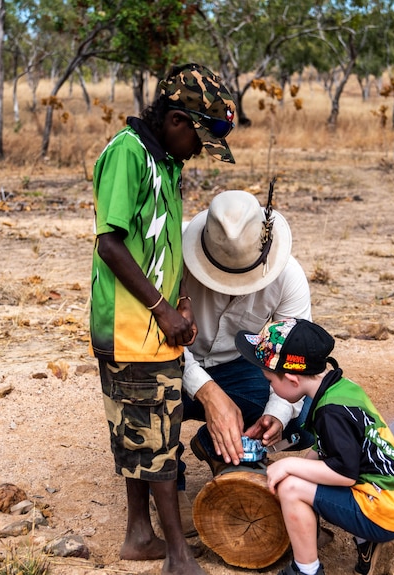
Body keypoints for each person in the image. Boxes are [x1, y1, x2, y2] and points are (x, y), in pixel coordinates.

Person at [88, 62, 235, 575]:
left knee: (141, 431)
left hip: (153, 326)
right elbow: (110, 244)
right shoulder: (127, 156)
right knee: (158, 441)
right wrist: (160, 309)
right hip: (131, 330)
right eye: (198, 139)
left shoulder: (165, 163)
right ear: (176, 121)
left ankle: (139, 534)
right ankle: (178, 555)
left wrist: (181, 302)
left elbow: (158, 246)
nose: (199, 152)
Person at [234, 318, 394, 575]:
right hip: (391, 498)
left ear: (292, 379)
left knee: (292, 488)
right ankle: (366, 542)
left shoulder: (331, 413)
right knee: (299, 476)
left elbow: (344, 473)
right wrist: (298, 467)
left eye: (270, 382)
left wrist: (288, 464)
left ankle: (306, 570)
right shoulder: (339, 388)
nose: (270, 387)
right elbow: (325, 450)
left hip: (381, 510)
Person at [178, 188, 313, 493]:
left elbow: (293, 357)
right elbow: (151, 336)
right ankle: (170, 485)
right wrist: (208, 392)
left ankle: (220, 448)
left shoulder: (289, 277)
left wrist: (276, 414)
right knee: (145, 395)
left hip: (237, 369)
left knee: (303, 420)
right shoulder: (173, 255)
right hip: (172, 364)